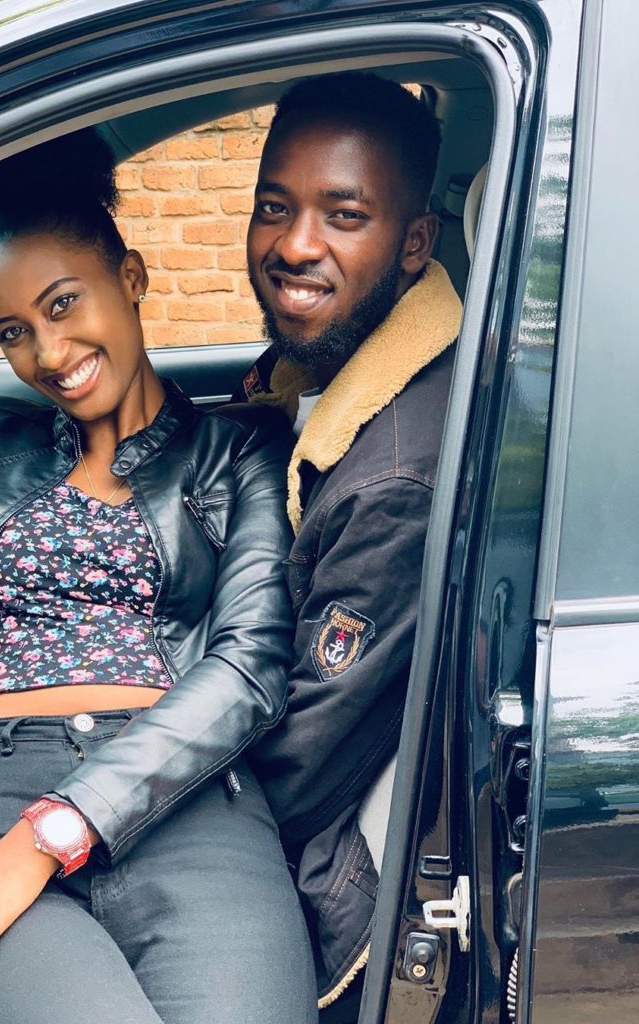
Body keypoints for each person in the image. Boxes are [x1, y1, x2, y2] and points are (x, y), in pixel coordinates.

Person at [0, 130, 317, 1023]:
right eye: (11, 332)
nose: (48, 355)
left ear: (130, 276)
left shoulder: (236, 454)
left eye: (62, 303)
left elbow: (248, 667)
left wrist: (58, 829)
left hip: (186, 794)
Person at [237, 72, 465, 1014]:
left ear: (413, 243)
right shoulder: (334, 372)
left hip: (311, 891)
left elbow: (293, 773)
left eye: (343, 215)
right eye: (274, 207)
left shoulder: (394, 482)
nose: (295, 244)